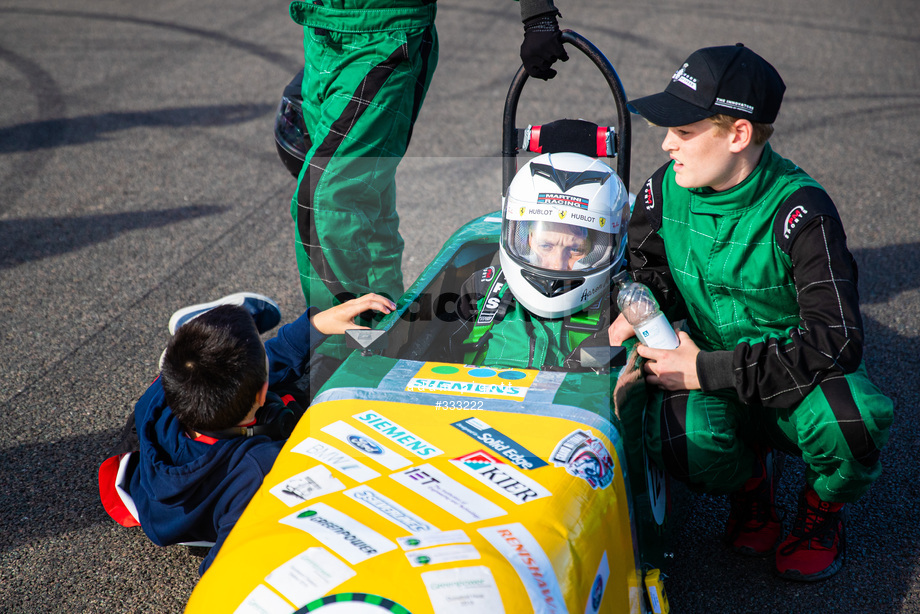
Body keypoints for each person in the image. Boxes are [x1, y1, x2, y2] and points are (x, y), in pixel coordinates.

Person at [607, 44, 893, 581]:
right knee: (671, 433)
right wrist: (641, 305)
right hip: (717, 372)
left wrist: (704, 370)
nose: (667, 143)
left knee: (853, 425)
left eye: (684, 131)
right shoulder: (663, 187)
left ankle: (821, 509)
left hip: (799, 382)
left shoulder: (802, 211)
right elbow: (650, 268)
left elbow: (836, 341)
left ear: (738, 135)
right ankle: (751, 488)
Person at [286, 0, 567, 362]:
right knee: (366, 199)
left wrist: (537, 15)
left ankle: (340, 354)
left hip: (383, 31)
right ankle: (380, 343)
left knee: (324, 202)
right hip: (320, 23)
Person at [98, 291, 394, 575]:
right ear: (263, 394)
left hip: (153, 494)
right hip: (215, 517)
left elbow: (258, 376)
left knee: (212, 377)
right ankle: (210, 329)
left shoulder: (161, 393)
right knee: (297, 393)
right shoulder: (259, 467)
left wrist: (313, 326)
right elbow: (222, 572)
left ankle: (200, 336)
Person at [451, 151, 629, 369]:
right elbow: (437, 351)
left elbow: (632, 358)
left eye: (576, 250)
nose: (557, 264)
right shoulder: (483, 288)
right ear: (526, 240)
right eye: (546, 246)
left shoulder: (620, 303)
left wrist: (579, 364)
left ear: (599, 250)